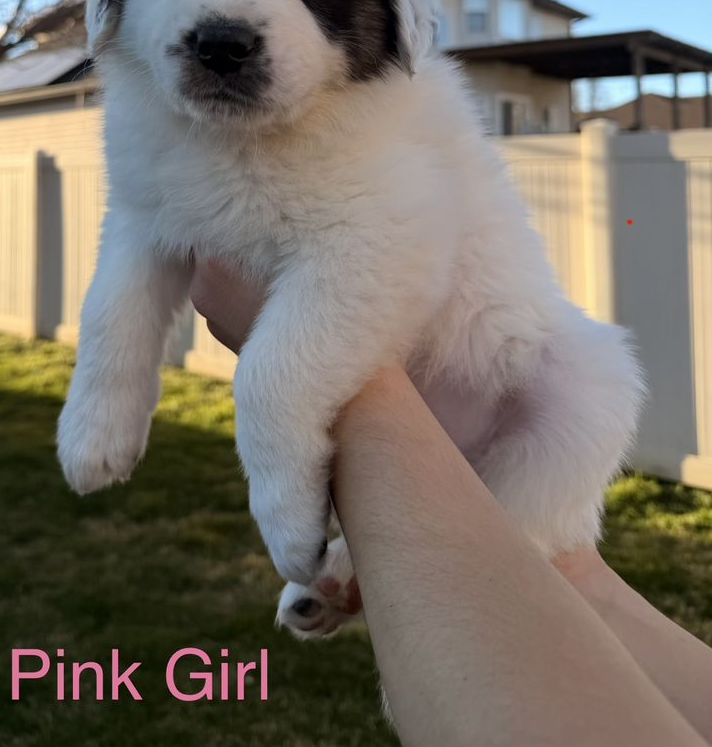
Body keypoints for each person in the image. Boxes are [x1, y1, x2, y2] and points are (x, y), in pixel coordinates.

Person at [190, 259, 712, 747]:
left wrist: (332, 371)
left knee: (597, 379)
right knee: (562, 567)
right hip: (472, 363)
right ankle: (536, 554)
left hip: (508, 366)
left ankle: (503, 555)